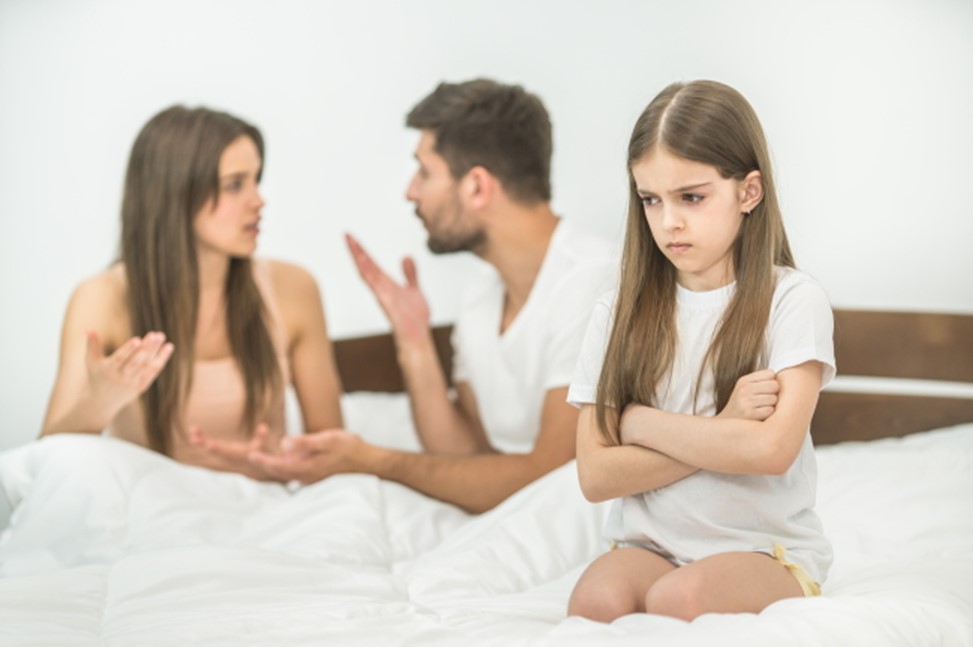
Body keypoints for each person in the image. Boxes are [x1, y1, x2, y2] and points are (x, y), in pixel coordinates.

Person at [212, 78, 615, 512]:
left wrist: (373, 460)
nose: (410, 191)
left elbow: (550, 475)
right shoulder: (483, 289)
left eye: (424, 171)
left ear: (477, 186)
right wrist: (414, 342)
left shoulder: (593, 282)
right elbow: (466, 455)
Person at [566, 80, 835, 622]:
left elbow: (769, 452)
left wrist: (638, 423)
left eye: (691, 197)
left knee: (678, 600)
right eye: (650, 200)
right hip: (649, 546)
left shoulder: (792, 301)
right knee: (594, 601)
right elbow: (595, 476)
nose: (669, 222)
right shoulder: (617, 312)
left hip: (762, 550)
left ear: (748, 192)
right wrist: (725, 424)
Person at [40, 105, 344, 480]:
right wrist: (99, 403)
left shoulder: (294, 288)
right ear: (175, 194)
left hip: (266, 505)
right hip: (154, 515)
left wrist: (279, 463)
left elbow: (334, 452)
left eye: (256, 180)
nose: (258, 200)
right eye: (235, 184)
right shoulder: (101, 299)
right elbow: (47, 459)